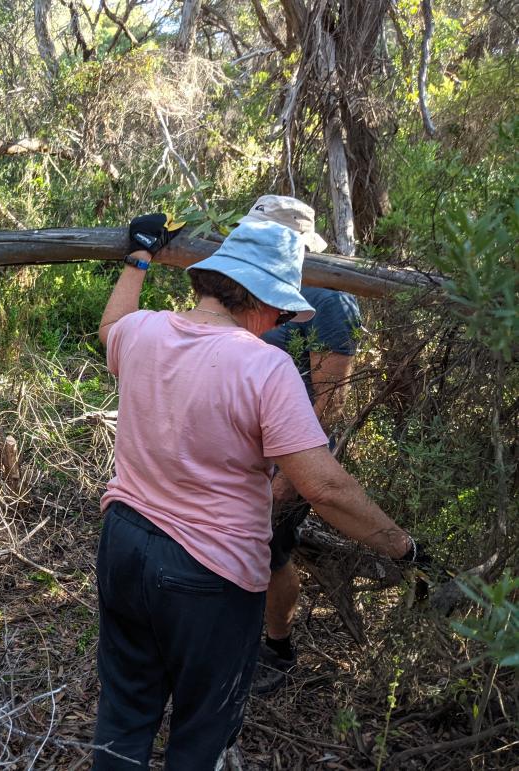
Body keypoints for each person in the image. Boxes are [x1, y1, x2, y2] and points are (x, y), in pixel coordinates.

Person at [92, 211, 425, 769]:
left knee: (124, 713)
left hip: (123, 543)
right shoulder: (265, 366)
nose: (279, 319)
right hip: (209, 573)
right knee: (201, 732)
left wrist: (139, 257)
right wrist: (403, 547)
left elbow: (110, 328)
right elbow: (323, 484)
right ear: (265, 300)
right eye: (280, 306)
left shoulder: (142, 332)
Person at [238, 196, 363, 695]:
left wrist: (291, 476)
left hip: (291, 455)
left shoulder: (330, 298)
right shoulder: (259, 286)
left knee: (271, 554)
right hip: (247, 451)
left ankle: (278, 647)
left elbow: (330, 400)